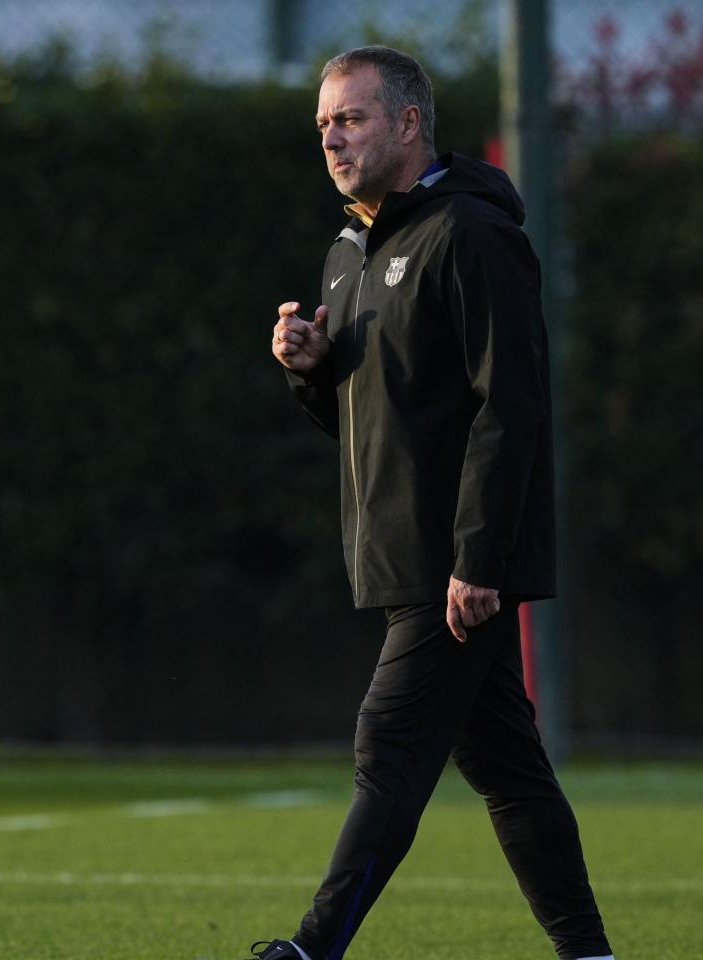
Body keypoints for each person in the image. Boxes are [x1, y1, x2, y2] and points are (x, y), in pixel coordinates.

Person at [259, 46, 615, 960]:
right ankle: (591, 954)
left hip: (451, 564)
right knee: (509, 771)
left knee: (391, 745)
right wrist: (308, 371)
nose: (334, 139)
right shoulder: (347, 252)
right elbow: (372, 419)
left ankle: (308, 950)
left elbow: (515, 402)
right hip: (404, 558)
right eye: (325, 124)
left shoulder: (471, 233)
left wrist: (480, 555)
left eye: (354, 118)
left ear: (410, 124)